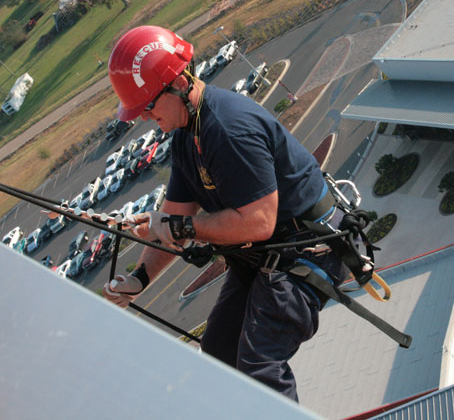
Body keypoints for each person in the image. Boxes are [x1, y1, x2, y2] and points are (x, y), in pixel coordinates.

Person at [101, 25, 345, 401]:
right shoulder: (186, 137)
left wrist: (176, 225)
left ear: (180, 83)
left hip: (310, 250)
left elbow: (259, 222)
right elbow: (174, 217)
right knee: (218, 355)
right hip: (268, 255)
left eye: (148, 105)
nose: (145, 118)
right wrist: (140, 277)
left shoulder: (229, 128)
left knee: (259, 366)